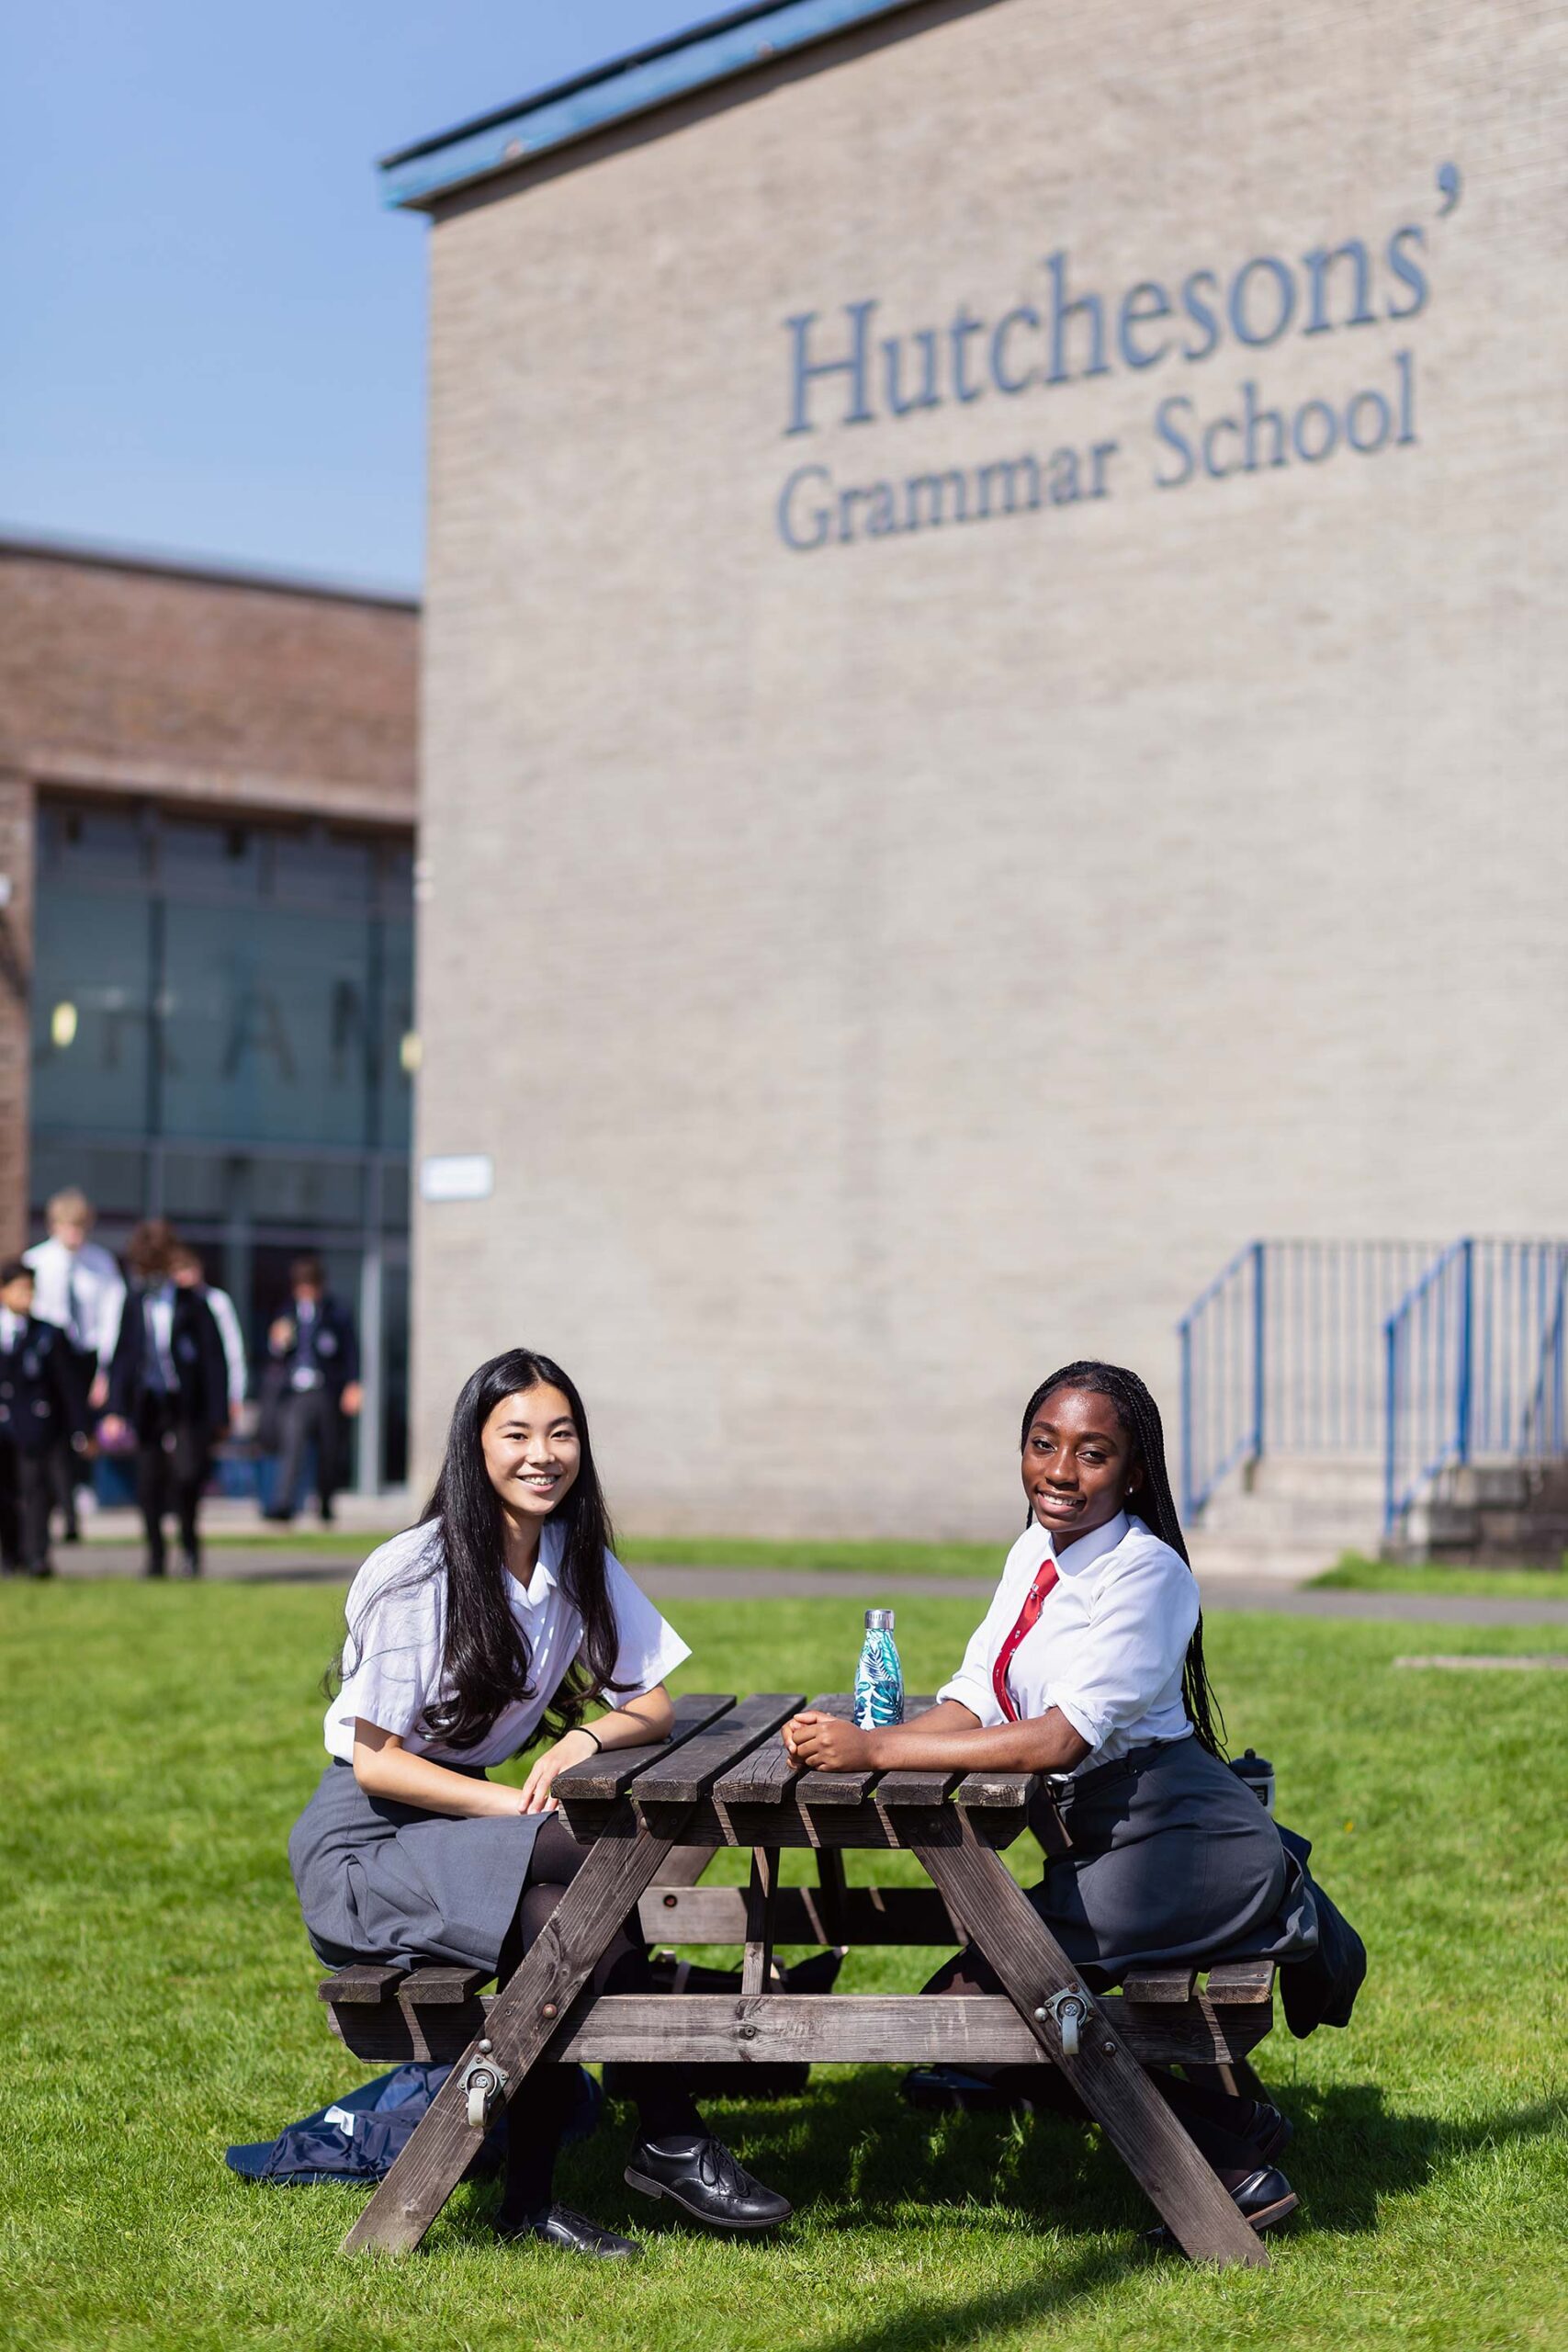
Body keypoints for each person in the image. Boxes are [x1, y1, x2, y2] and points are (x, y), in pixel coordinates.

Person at [784, 1360, 1351, 2243]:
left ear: (1133, 1472)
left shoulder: (1146, 1574)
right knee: (980, 2009)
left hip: (1182, 1851)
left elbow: (1059, 1740)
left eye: (1091, 1454)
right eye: (1042, 1445)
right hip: (1115, 1846)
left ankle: (1232, 2172)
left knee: (979, 2013)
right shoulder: (1034, 1551)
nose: (1059, 1472)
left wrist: (879, 1749)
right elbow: (980, 1692)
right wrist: (856, 1751)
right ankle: (1234, 2126)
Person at [288, 1347, 792, 2258]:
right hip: (366, 1854)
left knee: (564, 1914)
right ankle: (671, 2126)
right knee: (599, 1853)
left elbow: (653, 1702)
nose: (542, 1454)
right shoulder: (416, 1571)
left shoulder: (570, 1556)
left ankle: (548, 2197)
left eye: (561, 1433)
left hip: (461, 1839)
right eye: (516, 1433)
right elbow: (376, 1764)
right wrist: (513, 1812)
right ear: (474, 1447)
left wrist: (579, 1741)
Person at [99, 1220, 229, 1578]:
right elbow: (123, 1358)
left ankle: (189, 1547)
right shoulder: (134, 1303)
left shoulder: (195, 1304)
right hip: (149, 1405)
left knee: (186, 1475)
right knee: (148, 1481)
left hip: (186, 1405)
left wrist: (219, 1414)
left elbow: (214, 1362)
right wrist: (115, 1409)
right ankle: (155, 1554)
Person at [24, 1186, 126, 1542]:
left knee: (83, 1433)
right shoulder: (37, 1262)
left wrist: (105, 1371)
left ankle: (77, 1494)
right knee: (55, 1433)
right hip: (52, 1360)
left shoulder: (101, 1264)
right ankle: (61, 1504)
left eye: (80, 1227)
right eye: (68, 1226)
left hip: (88, 1356)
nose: (74, 1234)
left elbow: (112, 1318)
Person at [0, 1258, 86, 1577]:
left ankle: (37, 1555)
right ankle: (9, 1555)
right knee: (5, 1494)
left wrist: (80, 1429)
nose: (26, 1296)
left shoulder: (48, 1335)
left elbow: (68, 1387)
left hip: (36, 1428)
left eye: (30, 1290)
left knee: (36, 1491)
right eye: (19, 1289)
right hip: (3, 1430)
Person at [261, 1256, 361, 1523]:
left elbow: (351, 1352)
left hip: (326, 1390)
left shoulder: (336, 1313)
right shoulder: (286, 1313)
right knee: (292, 1446)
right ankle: (284, 1502)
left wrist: (353, 1384)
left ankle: (325, 1501)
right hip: (296, 1393)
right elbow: (274, 1356)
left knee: (329, 1449)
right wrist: (277, 1342)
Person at [170, 1244, 248, 1428]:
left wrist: (235, 1394)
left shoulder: (217, 1302)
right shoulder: (170, 1304)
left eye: (187, 1269)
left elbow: (233, 1350)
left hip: (209, 1392)